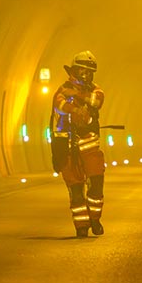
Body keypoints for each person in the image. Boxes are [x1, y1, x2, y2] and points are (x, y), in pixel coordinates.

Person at [51, 51, 106, 237]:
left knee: (96, 186)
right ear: (74, 70)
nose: (85, 75)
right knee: (76, 192)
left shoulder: (96, 90)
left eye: (88, 72)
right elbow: (60, 105)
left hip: (90, 146)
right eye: (82, 71)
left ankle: (95, 218)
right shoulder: (61, 91)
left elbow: (96, 101)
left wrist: (76, 94)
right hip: (67, 148)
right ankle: (81, 226)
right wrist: (75, 108)